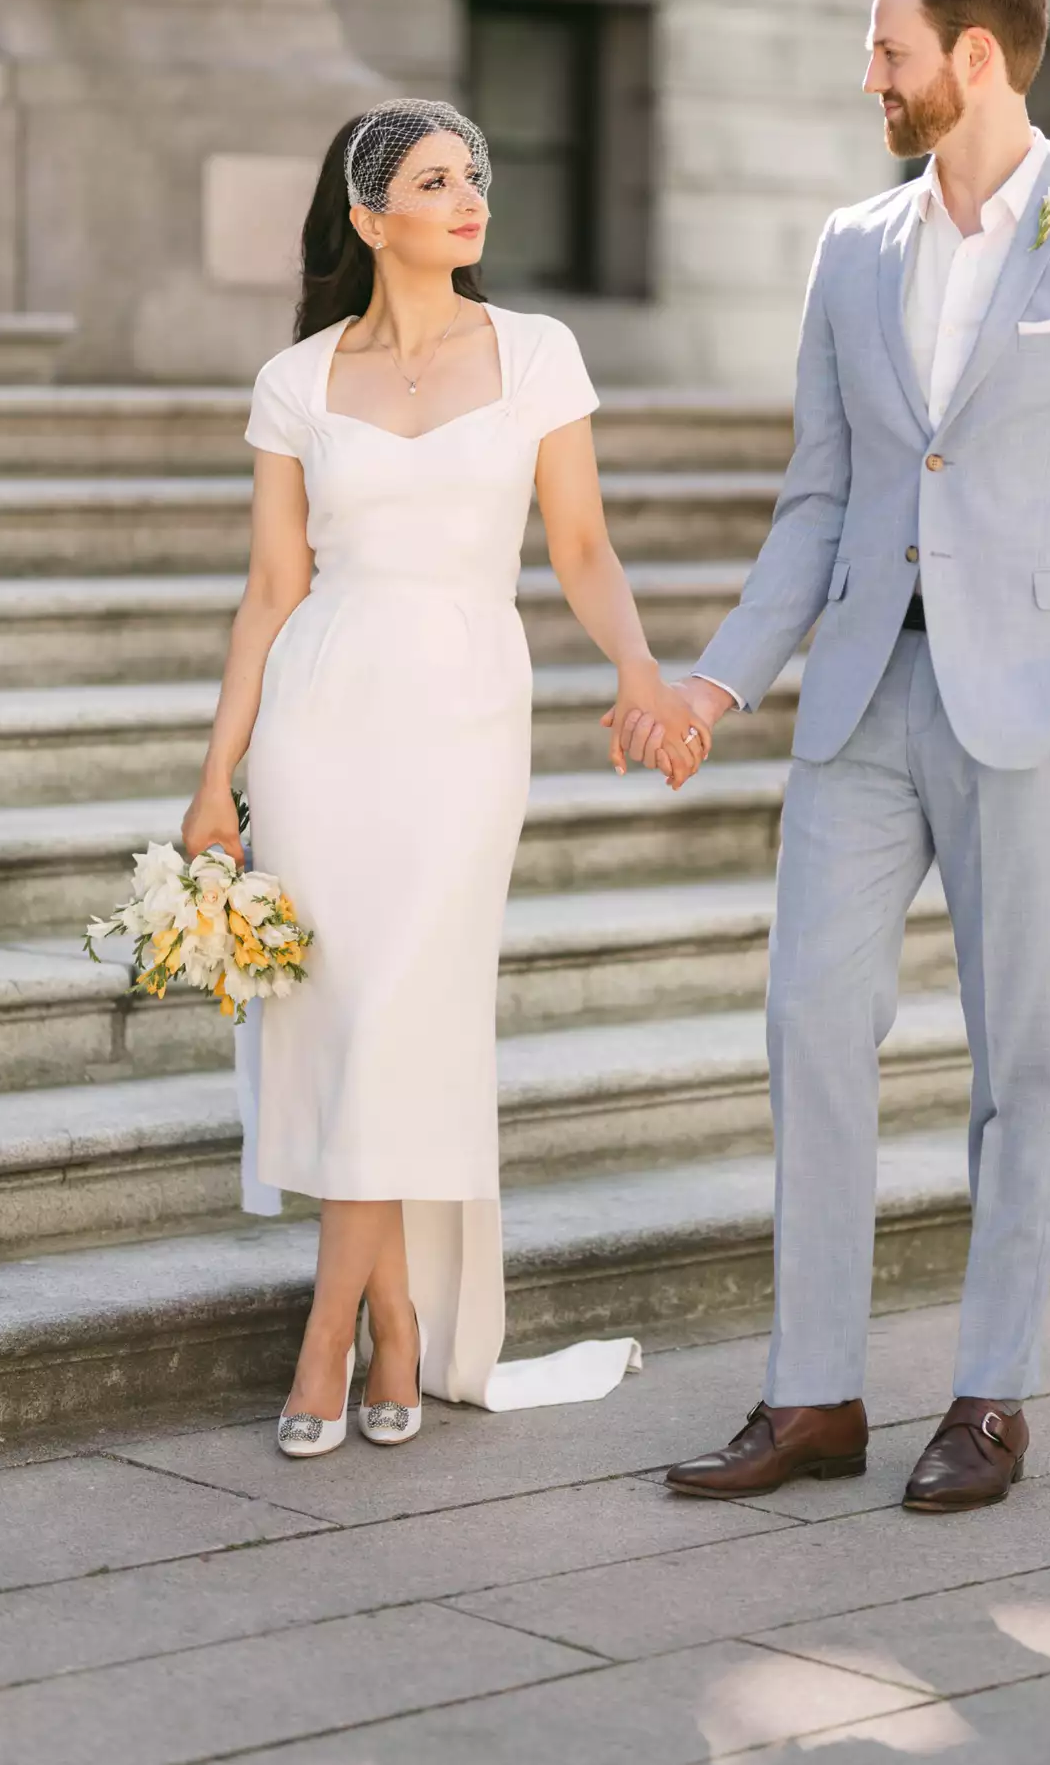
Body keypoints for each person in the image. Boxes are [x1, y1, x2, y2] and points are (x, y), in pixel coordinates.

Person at [649, 0, 1050, 1512]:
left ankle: (990, 1394)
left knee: (1019, 1061)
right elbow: (823, 495)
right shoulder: (854, 246)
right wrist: (718, 679)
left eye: (890, 52)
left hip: (1038, 703)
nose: (871, 74)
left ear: (977, 58)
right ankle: (815, 1393)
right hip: (863, 694)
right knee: (809, 1024)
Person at [181, 98, 706, 1457]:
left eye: (475, 172)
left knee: (410, 1002)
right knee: (348, 1017)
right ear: (370, 219)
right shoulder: (296, 380)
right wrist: (214, 778)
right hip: (321, 715)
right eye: (433, 179)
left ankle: (326, 1342)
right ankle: (396, 1321)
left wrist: (640, 670)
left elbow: (580, 546)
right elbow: (268, 592)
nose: (469, 196)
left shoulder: (537, 354)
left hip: (468, 712)